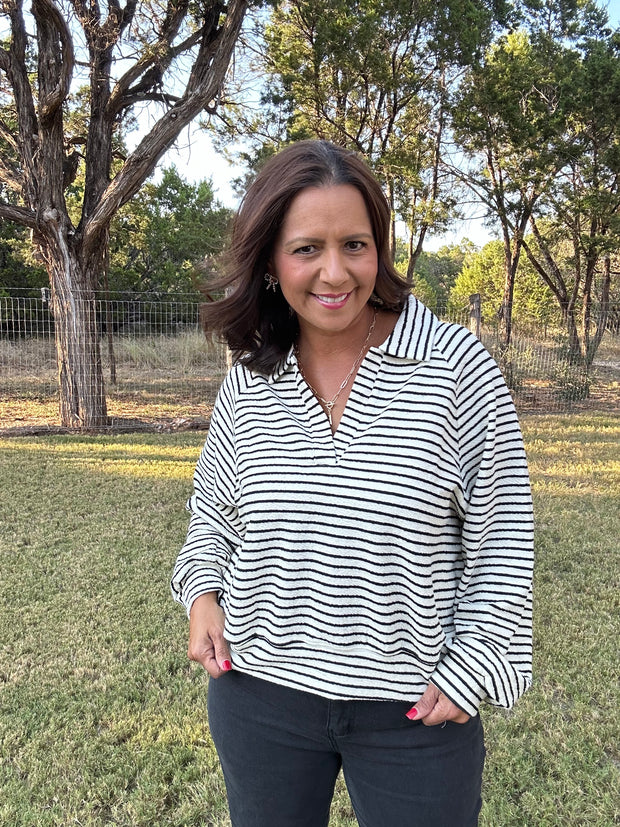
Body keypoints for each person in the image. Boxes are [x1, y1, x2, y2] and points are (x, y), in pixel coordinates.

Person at [171, 140, 534, 827]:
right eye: (307, 248)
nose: (334, 271)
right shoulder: (250, 376)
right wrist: (202, 593)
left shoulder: (455, 370)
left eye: (356, 244)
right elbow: (214, 512)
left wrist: (475, 664)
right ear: (271, 261)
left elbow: (504, 537)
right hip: (259, 695)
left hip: (413, 711)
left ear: (381, 251)